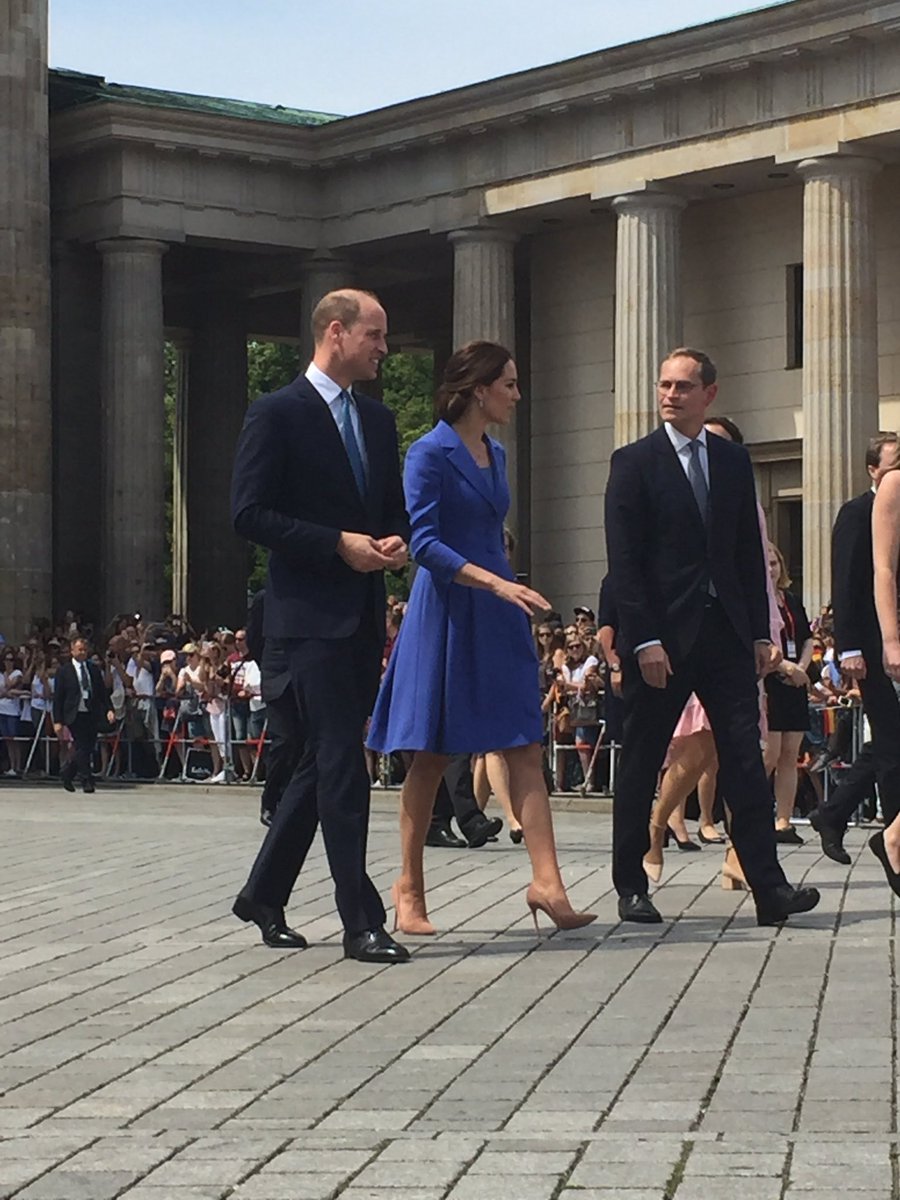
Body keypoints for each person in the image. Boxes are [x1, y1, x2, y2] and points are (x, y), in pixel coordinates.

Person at [367, 340, 595, 937]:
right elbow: (423, 543)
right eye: (509, 385)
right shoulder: (429, 452)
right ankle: (408, 887)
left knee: (524, 744)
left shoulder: (496, 451)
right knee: (431, 753)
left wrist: (504, 587)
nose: (517, 395)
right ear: (478, 390)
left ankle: (549, 883)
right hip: (446, 610)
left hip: (499, 608)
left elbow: (491, 531)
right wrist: (494, 582)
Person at [604, 346, 819, 927]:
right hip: (662, 642)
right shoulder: (634, 462)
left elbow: (747, 552)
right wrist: (642, 639)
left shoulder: (731, 461)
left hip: (726, 636)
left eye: (682, 386)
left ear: (709, 394)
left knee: (746, 762)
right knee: (642, 760)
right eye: (664, 385)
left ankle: (769, 888)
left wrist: (760, 632)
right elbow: (624, 563)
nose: (670, 395)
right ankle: (631, 885)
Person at [230, 288, 411, 964]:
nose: (384, 348)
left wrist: (394, 541)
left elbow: (391, 509)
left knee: (321, 760)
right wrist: (336, 543)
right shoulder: (276, 413)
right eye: (375, 335)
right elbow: (248, 512)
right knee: (341, 762)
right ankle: (360, 921)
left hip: (361, 613)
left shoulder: (379, 421)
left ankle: (263, 894)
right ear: (336, 333)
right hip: (306, 619)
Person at [809, 433, 900, 865]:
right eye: (893, 464)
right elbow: (845, 583)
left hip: (887, 641)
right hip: (872, 645)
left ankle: (835, 813)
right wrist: (848, 647)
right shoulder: (857, 512)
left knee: (889, 740)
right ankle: (889, 834)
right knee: (892, 743)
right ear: (872, 470)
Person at [762, 542, 814, 844]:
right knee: (769, 754)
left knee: (790, 754)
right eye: (766, 563)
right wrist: (785, 667)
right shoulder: (757, 599)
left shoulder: (791, 599)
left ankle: (783, 821)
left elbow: (806, 637)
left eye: (774, 563)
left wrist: (801, 668)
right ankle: (752, 815)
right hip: (770, 680)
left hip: (795, 682)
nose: (771, 569)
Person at [867, 449, 900, 891]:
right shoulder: (895, 483)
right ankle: (894, 837)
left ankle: (894, 836)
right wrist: (890, 639)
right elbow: (884, 569)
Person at [51, 637, 114, 794]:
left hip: (91, 712)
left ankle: (67, 772)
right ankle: (86, 780)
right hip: (74, 713)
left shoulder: (93, 669)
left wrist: (109, 709)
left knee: (88, 746)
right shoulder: (64, 671)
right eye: (79, 649)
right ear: (72, 651)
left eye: (85, 650)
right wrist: (58, 721)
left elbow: (101, 692)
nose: (82, 652)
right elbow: (58, 697)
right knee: (81, 744)